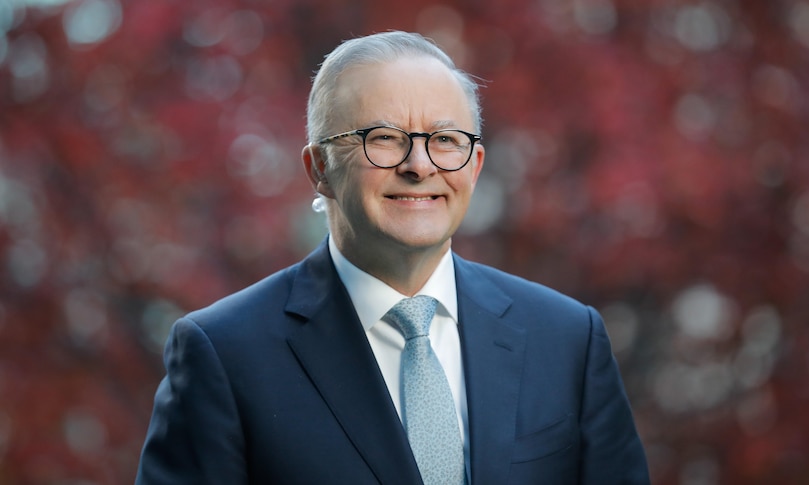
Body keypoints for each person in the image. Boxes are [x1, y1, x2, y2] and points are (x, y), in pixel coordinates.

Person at [136, 30, 650, 484]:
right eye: (383, 139)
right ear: (319, 168)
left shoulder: (566, 339)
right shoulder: (224, 355)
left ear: (474, 166)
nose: (419, 165)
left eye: (446, 140)